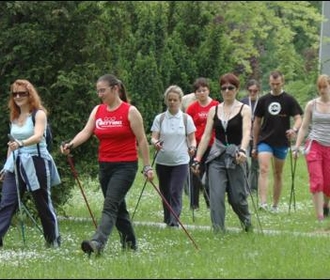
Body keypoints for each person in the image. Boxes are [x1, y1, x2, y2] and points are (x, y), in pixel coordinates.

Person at [61, 74, 154, 255]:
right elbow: (87, 131)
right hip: (105, 165)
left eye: (102, 90)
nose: (99, 94)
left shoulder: (130, 111)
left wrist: (147, 166)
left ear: (115, 89)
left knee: (110, 205)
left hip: (125, 166)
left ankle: (97, 242)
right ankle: (130, 245)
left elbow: (142, 140)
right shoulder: (98, 110)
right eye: (98, 91)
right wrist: (70, 144)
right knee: (118, 207)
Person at [0, 79, 61, 248]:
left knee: (42, 203)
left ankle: (53, 240)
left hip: (36, 161)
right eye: (15, 94)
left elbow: (38, 135)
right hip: (16, 163)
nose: (18, 96)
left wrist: (21, 143)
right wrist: (6, 167)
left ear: (30, 95)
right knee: (7, 202)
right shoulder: (14, 116)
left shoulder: (38, 114)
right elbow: (12, 144)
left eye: (22, 93)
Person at [192, 73, 252, 233]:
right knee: (216, 196)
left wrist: (243, 150)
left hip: (236, 156)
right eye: (223, 88)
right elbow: (206, 136)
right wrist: (197, 158)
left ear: (237, 89)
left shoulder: (244, 109)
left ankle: (247, 223)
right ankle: (218, 231)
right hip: (216, 156)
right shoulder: (214, 110)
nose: (227, 91)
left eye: (230, 88)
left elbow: (247, 132)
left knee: (237, 199)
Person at [252, 70, 303, 212]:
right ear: (269, 82)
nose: (275, 86)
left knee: (278, 173)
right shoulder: (263, 100)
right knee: (263, 169)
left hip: (281, 141)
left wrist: (294, 129)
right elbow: (256, 123)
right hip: (265, 140)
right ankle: (263, 203)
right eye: (272, 84)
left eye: (277, 84)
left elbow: (299, 118)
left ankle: (275, 205)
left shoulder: (289, 99)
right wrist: (255, 145)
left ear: (282, 82)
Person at [150, 85, 196, 227]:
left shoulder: (186, 119)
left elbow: (192, 138)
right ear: (166, 100)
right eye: (169, 100)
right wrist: (156, 142)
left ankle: (174, 221)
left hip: (181, 161)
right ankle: (167, 218)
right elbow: (153, 137)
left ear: (180, 101)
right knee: (165, 191)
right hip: (162, 161)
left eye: (175, 100)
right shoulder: (160, 118)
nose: (172, 102)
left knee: (175, 190)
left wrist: (193, 146)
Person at [292, 74, 330, 222]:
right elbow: (304, 127)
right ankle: (320, 216)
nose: (322, 90)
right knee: (317, 180)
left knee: (328, 182)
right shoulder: (311, 105)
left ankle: (326, 205)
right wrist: (296, 147)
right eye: (320, 87)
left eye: (325, 87)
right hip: (314, 144)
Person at [186, 77, 219, 209]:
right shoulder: (192, 108)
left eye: (204, 90)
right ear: (195, 93)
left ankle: (210, 202)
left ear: (208, 90)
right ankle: (194, 204)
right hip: (197, 146)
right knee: (195, 174)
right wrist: (190, 145)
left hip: (213, 146)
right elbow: (188, 127)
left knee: (211, 176)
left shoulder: (216, 105)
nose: (201, 93)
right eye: (198, 91)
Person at [240, 79, 261, 194]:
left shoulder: (261, 102)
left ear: (258, 91)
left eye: (255, 91)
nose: (252, 93)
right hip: (245, 135)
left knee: (255, 163)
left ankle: (253, 187)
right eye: (250, 91)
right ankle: (245, 185)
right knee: (244, 161)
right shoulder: (243, 102)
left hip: (257, 136)